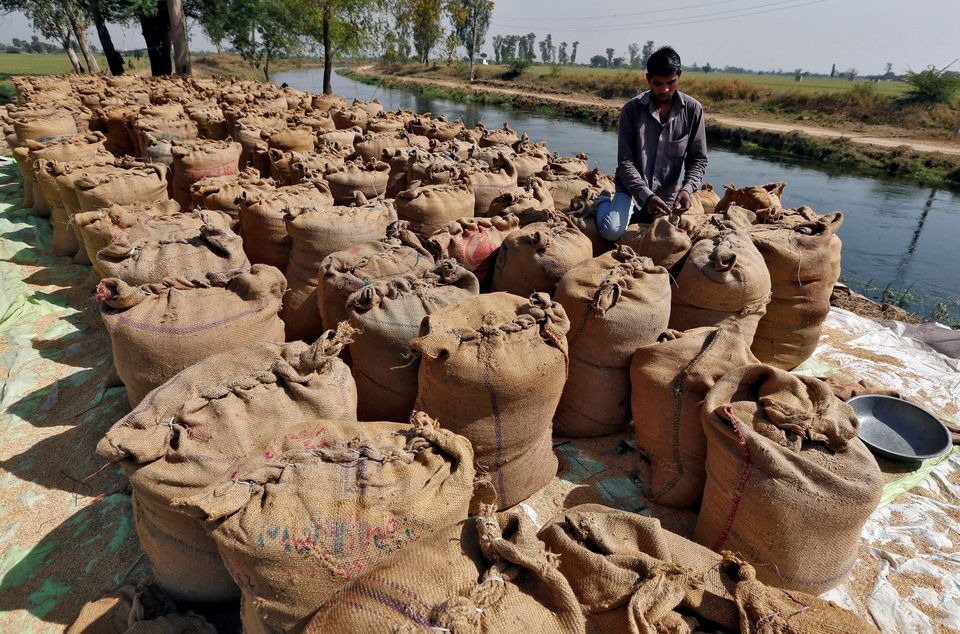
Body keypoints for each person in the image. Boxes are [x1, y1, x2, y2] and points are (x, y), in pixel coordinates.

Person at [596, 46, 708, 241]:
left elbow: (698, 159)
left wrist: (687, 189)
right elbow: (625, 163)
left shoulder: (693, 110)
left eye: (670, 83)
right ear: (648, 79)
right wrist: (646, 196)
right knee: (612, 231)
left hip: (667, 195)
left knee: (678, 240)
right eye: (657, 83)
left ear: (679, 76)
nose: (664, 89)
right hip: (632, 190)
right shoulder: (632, 110)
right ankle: (602, 201)